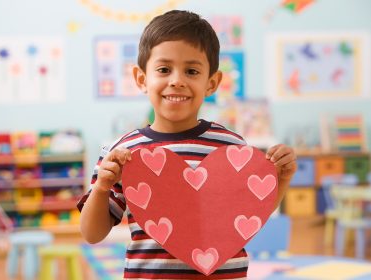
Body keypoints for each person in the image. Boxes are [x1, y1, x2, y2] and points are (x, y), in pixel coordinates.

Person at [78, 10, 297, 279]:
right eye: (164, 69)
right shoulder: (123, 152)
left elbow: (249, 212)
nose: (177, 80)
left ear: (212, 83)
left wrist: (282, 180)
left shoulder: (233, 148)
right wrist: (102, 187)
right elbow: (91, 233)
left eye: (192, 71)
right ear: (141, 79)